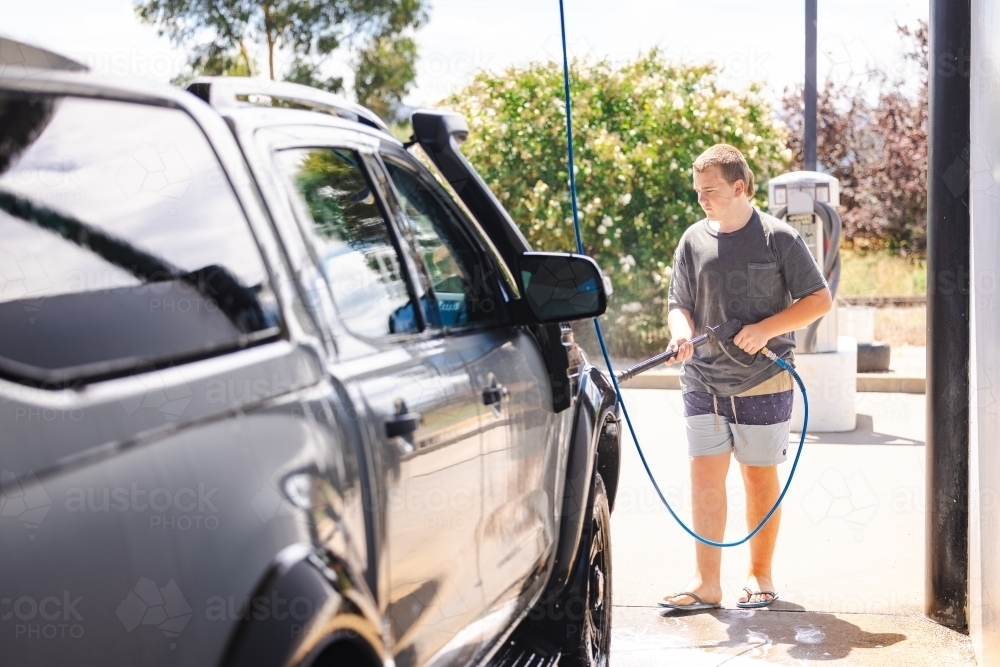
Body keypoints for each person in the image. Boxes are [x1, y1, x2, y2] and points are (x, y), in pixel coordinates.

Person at [660, 144, 832, 610]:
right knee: (705, 480)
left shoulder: (779, 239)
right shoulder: (692, 241)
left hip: (764, 381)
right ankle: (706, 583)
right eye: (698, 192)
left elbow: (819, 300)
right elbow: (680, 303)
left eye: (709, 190)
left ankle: (760, 575)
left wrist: (765, 329)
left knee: (758, 479)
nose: (702, 200)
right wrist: (682, 335)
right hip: (702, 383)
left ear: (739, 187)